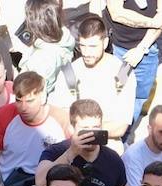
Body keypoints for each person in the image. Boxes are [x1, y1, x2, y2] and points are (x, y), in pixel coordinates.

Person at [0, 70, 71, 186]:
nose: (23, 107)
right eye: (18, 100)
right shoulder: (4, 114)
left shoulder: (61, 120)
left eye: (30, 101)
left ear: (43, 97)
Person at [49, 15, 137, 143]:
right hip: (73, 142)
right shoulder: (70, 71)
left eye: (92, 46)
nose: (86, 53)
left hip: (108, 144)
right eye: (83, 46)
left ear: (105, 43)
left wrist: (84, 131)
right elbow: (55, 110)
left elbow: (120, 127)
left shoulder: (122, 73)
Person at [36, 99, 129, 186]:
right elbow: (40, 184)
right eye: (84, 129)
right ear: (72, 128)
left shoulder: (112, 159)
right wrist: (71, 153)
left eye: (95, 128)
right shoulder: (56, 151)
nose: (91, 134)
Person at [102, 0, 162, 138]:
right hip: (118, 48)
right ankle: (108, 134)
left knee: (138, 96)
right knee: (117, 90)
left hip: (145, 50)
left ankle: (123, 136)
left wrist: (141, 49)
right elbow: (117, 14)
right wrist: (154, 22)